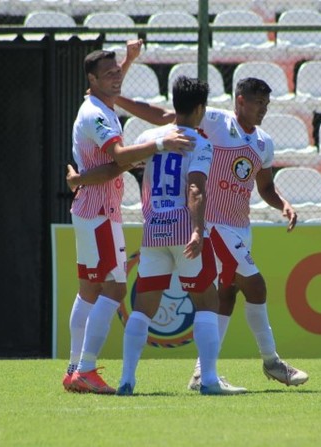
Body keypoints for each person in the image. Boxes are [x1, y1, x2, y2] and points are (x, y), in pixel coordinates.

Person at [115, 77, 309, 390]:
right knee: (256, 287)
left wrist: (283, 203)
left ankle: (200, 374)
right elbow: (169, 116)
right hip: (212, 225)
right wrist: (120, 100)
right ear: (240, 100)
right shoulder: (217, 123)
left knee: (227, 295)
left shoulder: (264, 143)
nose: (263, 110)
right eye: (258, 103)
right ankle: (272, 361)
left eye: (267, 104)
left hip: (239, 228)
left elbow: (266, 187)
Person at [63, 41, 194, 394]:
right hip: (102, 212)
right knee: (116, 288)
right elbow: (118, 157)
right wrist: (160, 145)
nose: (116, 79)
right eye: (109, 75)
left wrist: (128, 61)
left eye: (118, 73)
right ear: (91, 79)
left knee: (89, 290)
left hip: (90, 208)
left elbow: (113, 161)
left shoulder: (96, 104)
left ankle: (74, 368)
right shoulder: (98, 115)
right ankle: (86, 368)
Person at [116, 76, 246, 396]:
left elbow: (124, 160)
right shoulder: (200, 143)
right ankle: (210, 380)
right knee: (207, 302)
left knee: (144, 307)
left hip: (153, 230)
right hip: (183, 230)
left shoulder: (150, 135)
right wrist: (199, 229)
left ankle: (126, 379)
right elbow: (195, 189)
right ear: (200, 108)